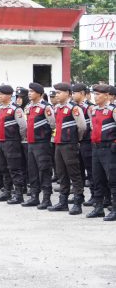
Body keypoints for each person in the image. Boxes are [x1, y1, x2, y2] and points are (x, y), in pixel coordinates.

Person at [48, 82, 87, 214]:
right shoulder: (57, 108)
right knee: (61, 174)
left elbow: (82, 127)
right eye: (56, 93)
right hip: (58, 144)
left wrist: (76, 139)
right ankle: (63, 201)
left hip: (69, 144)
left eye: (59, 93)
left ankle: (77, 202)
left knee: (74, 174)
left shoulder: (73, 108)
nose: (57, 95)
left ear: (68, 94)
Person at [23, 83, 55, 208]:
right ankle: (34, 197)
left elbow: (53, 124)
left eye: (32, 91)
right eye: (29, 91)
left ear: (39, 93)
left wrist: (44, 135)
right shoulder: (29, 106)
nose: (29, 93)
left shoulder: (45, 107)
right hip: (31, 143)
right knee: (32, 170)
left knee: (44, 170)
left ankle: (46, 199)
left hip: (42, 143)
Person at [87, 84, 116, 220]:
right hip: (96, 148)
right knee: (97, 179)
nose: (95, 97)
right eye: (95, 94)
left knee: (113, 180)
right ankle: (98, 208)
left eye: (98, 94)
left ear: (106, 95)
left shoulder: (113, 110)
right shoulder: (93, 110)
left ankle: (115, 209)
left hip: (109, 148)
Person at [0, 85, 27, 204]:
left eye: (1, 94)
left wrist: (19, 139)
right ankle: (7, 191)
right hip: (1, 142)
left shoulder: (15, 109)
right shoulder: (0, 108)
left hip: (11, 142)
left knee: (14, 168)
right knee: (3, 167)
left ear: (8, 95)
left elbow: (23, 126)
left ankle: (18, 194)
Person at [72, 84, 95, 206]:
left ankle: (94, 195)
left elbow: (93, 125)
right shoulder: (74, 107)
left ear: (81, 93)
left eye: (74, 93)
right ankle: (79, 195)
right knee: (78, 169)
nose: (72, 95)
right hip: (77, 141)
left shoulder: (90, 107)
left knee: (90, 170)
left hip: (87, 141)